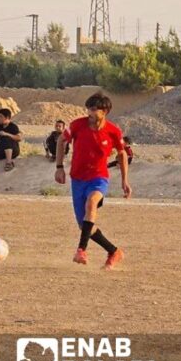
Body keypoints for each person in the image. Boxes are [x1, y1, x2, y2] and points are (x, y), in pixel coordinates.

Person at [54, 93, 130, 270]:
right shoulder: (77, 125)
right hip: (78, 179)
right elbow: (61, 140)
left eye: (94, 109)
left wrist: (125, 181)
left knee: (92, 202)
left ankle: (81, 250)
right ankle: (113, 251)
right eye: (88, 108)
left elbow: (122, 154)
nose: (90, 112)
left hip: (98, 178)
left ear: (105, 112)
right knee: (85, 225)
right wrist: (59, 167)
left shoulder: (113, 131)